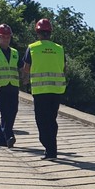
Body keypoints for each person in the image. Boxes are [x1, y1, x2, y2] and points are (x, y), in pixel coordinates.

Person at [21, 18, 66, 159]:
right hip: (57, 90)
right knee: (52, 120)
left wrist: (25, 80)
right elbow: (64, 67)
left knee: (42, 120)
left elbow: (26, 68)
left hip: (40, 91)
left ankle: (48, 147)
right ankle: (52, 149)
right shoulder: (59, 48)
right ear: (50, 32)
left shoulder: (33, 48)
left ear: (37, 32)